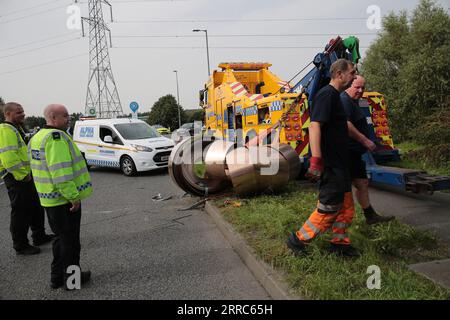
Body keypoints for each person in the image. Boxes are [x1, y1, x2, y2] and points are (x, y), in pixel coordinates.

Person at [286, 59, 361, 258]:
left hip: (340, 164)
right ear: (339, 74)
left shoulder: (335, 96)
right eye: (352, 72)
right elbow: (315, 126)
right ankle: (298, 239)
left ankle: (339, 244)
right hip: (331, 165)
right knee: (328, 209)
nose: (354, 76)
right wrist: (316, 160)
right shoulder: (326, 95)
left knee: (346, 209)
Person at [29, 104, 93, 289]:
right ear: (53, 118)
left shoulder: (38, 136)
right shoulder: (56, 138)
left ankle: (57, 278)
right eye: (65, 116)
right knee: (71, 243)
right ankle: (72, 281)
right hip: (63, 200)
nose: (69, 118)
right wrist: (73, 197)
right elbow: (61, 173)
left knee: (60, 239)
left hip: (49, 199)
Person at [0, 102, 54, 255]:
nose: (23, 114)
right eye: (19, 112)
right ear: (8, 113)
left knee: (36, 207)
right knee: (21, 211)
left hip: (26, 175)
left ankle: (39, 235)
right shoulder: (5, 130)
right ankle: (21, 245)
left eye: (23, 111)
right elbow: (9, 157)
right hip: (17, 177)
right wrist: (23, 176)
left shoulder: (16, 128)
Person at [341, 75, 395, 225]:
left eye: (362, 87)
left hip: (355, 153)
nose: (360, 90)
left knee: (362, 183)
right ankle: (341, 222)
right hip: (347, 153)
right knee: (343, 189)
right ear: (348, 85)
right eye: (357, 87)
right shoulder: (344, 101)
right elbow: (346, 124)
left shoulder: (353, 101)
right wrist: (364, 140)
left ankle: (370, 216)